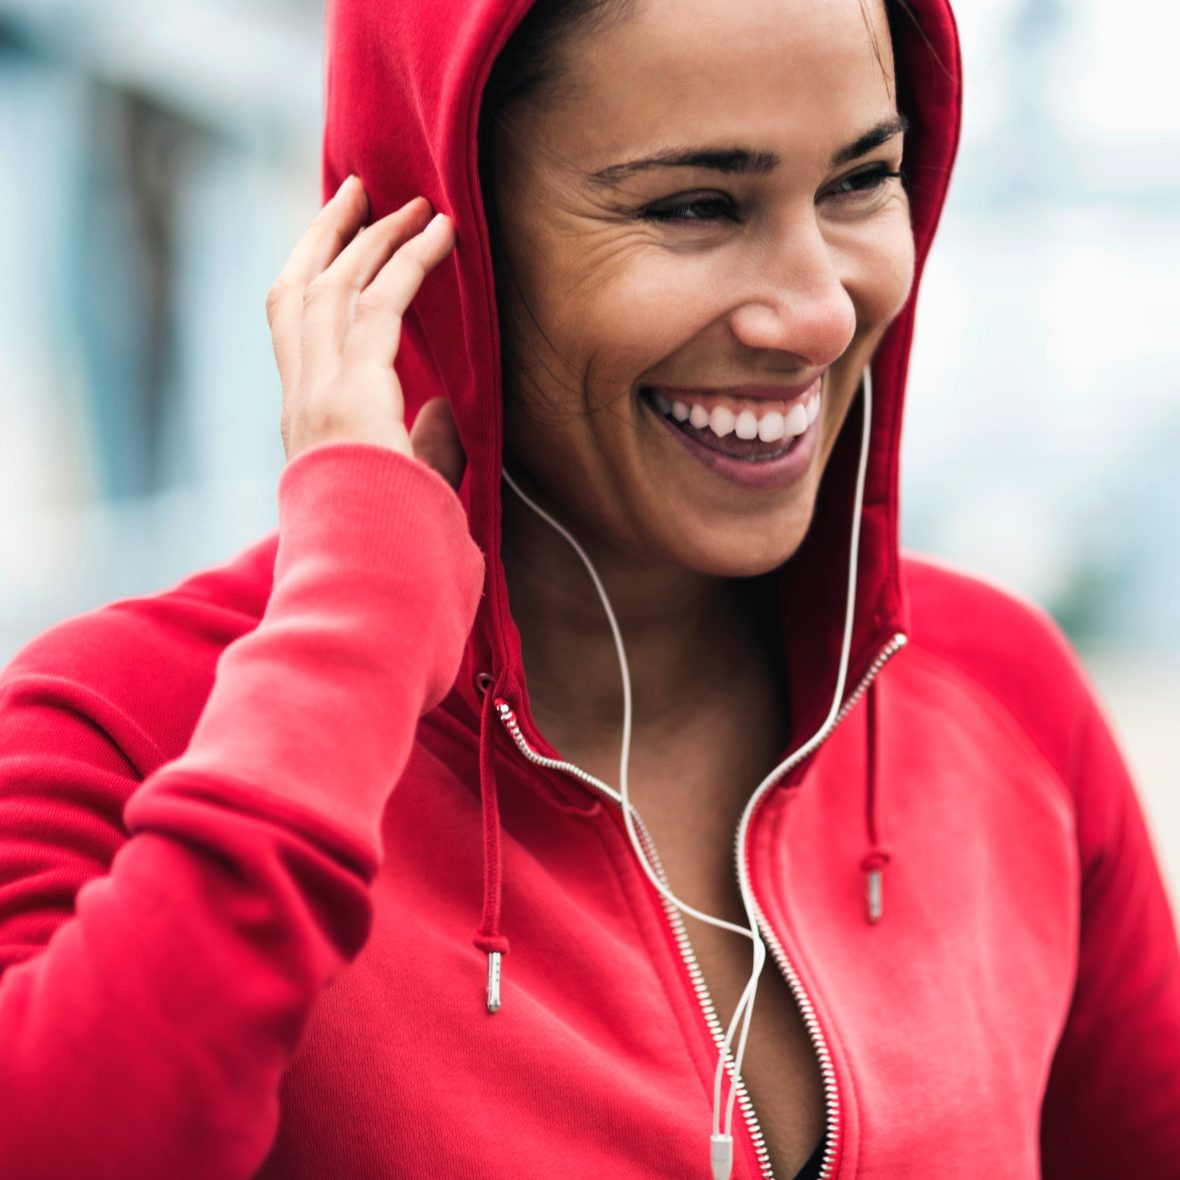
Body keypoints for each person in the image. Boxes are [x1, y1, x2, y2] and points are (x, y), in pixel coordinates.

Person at [0, 0, 1177, 1176]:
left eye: (860, 181)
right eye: (694, 206)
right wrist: (350, 636)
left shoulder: (1004, 700)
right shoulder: (128, 728)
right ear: (438, 224)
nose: (820, 308)